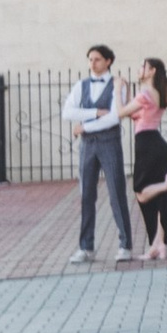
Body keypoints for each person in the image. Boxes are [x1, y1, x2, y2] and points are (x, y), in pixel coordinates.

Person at [64, 47, 136, 263]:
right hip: (87, 146)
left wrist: (84, 126)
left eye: (97, 59)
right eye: (90, 59)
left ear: (108, 61)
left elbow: (114, 117)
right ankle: (86, 247)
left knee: (116, 193)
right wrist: (94, 113)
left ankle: (125, 245)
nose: (92, 63)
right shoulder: (81, 85)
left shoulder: (117, 84)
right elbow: (67, 112)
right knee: (86, 195)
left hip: (109, 144)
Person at [128, 58, 167, 259]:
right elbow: (138, 115)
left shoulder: (144, 93)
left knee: (141, 191)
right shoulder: (158, 92)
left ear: (152, 71)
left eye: (143, 67)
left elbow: (120, 112)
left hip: (147, 144)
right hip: (157, 144)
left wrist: (118, 91)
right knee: (160, 199)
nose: (140, 69)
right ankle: (159, 245)